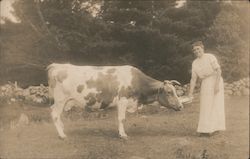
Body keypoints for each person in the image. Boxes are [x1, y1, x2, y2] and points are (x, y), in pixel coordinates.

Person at [188, 41, 225, 136]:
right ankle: (205, 129)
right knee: (206, 105)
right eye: (194, 50)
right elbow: (193, 79)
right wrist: (190, 93)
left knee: (216, 104)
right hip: (205, 82)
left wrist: (216, 85)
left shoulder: (210, 57)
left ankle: (215, 128)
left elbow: (218, 70)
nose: (196, 51)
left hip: (216, 79)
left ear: (202, 48)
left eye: (198, 49)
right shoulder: (195, 63)